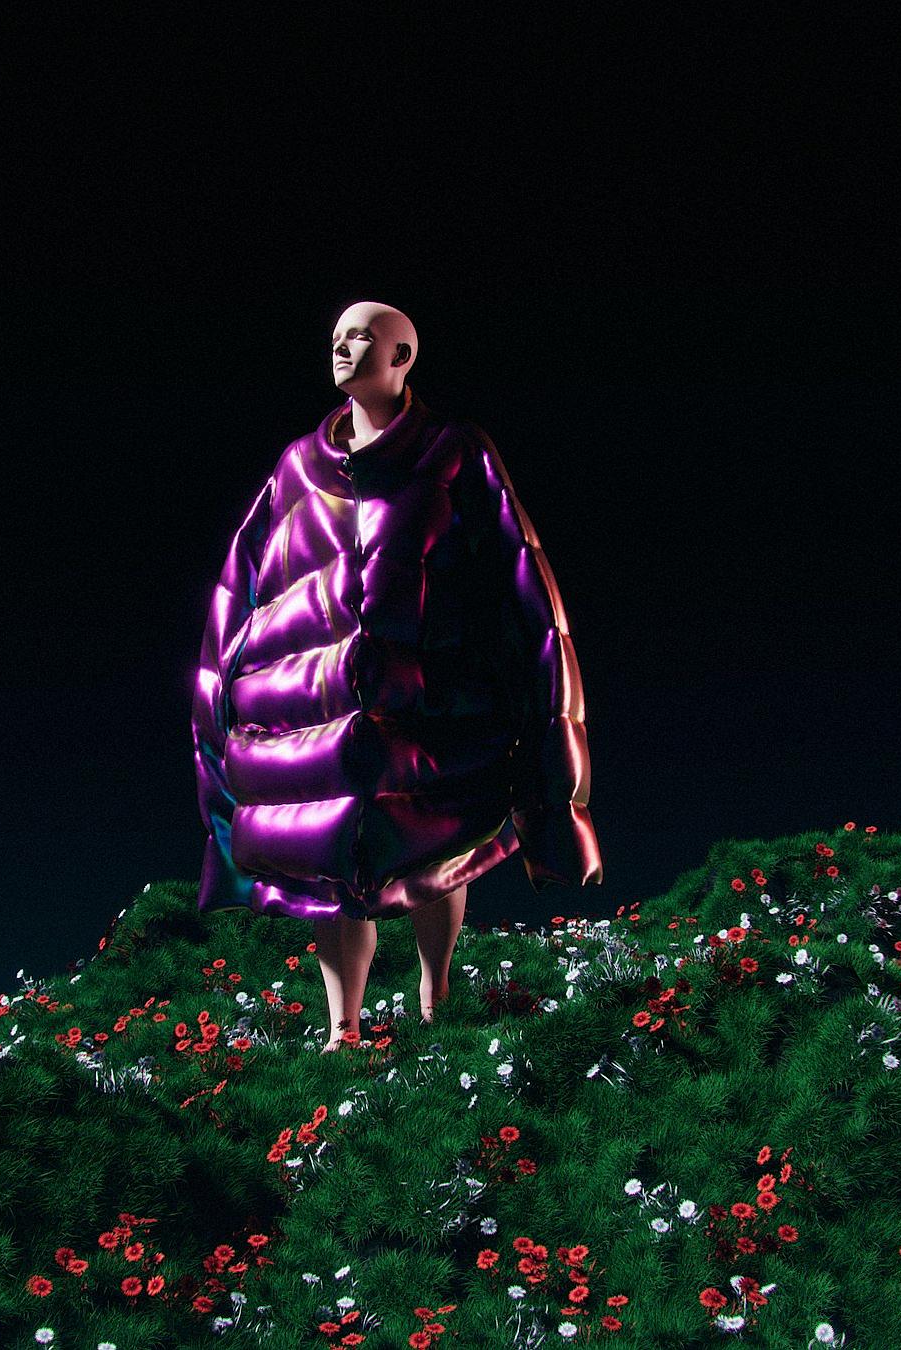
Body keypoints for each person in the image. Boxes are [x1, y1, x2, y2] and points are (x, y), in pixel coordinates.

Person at [191, 300, 603, 1053]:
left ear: (402, 357)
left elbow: (518, 575)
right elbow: (241, 587)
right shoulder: (295, 467)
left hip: (434, 706)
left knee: (438, 851)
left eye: (364, 339)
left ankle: (434, 993)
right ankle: (341, 1026)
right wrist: (230, 704)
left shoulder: (453, 450)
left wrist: (545, 736)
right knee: (327, 874)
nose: (345, 350)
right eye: (339, 338)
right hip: (314, 716)